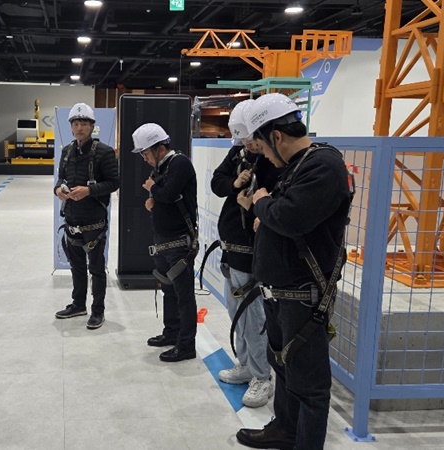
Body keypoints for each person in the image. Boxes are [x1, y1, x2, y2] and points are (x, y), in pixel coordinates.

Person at [235, 93, 351, 450]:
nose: (266, 157)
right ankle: (285, 430)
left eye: (264, 148)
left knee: (310, 386)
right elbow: (282, 214)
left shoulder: (324, 166)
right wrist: (268, 214)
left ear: (277, 136)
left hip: (303, 297)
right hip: (280, 295)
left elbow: (288, 216)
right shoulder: (298, 166)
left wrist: (261, 204)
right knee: (283, 368)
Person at [208, 100, 277, 408]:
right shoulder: (240, 154)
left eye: (251, 139)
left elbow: (275, 205)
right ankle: (247, 364)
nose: (248, 145)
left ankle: (262, 376)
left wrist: (254, 207)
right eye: (244, 140)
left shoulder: (273, 161)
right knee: (236, 313)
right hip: (231, 250)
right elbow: (217, 182)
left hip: (253, 251)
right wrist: (234, 183)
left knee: (253, 317)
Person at [132, 123, 198, 363]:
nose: (145, 159)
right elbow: (163, 197)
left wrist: (153, 189)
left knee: (184, 295)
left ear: (160, 147)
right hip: (164, 240)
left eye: (145, 153)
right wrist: (153, 202)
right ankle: (171, 332)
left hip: (179, 241)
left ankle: (186, 345)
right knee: (168, 289)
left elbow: (168, 194)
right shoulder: (162, 167)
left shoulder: (179, 164)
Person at [54, 102, 119, 329]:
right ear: (71, 127)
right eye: (76, 124)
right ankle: (78, 304)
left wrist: (89, 190)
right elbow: (61, 178)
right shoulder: (66, 152)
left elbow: (114, 183)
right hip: (72, 218)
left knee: (97, 269)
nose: (79, 128)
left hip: (94, 221)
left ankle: (98, 310)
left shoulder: (104, 152)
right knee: (77, 267)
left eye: (84, 124)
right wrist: (58, 189)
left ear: (92, 126)